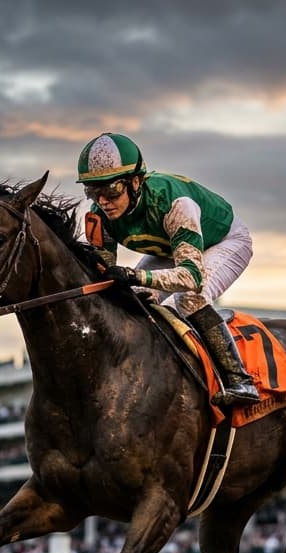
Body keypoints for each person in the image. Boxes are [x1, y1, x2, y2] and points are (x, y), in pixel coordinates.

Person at [76, 132, 260, 406]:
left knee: (189, 298)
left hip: (224, 241)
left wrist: (136, 274)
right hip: (169, 248)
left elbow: (191, 276)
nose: (103, 201)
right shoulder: (98, 215)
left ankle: (239, 380)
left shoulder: (176, 204)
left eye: (111, 189)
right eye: (93, 191)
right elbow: (102, 273)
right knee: (134, 297)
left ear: (135, 182)